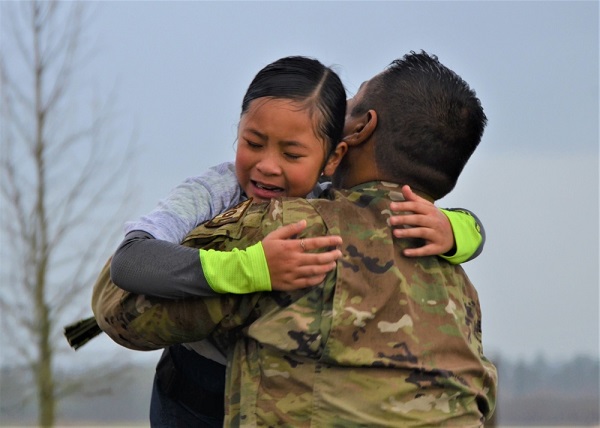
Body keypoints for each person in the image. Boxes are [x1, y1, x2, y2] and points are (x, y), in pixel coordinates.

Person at [93, 50, 497, 426]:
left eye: (351, 103)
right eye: (253, 142)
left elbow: (119, 308)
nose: (268, 165)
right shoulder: (457, 283)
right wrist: (461, 230)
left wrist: (250, 267)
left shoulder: (288, 230)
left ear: (356, 131)